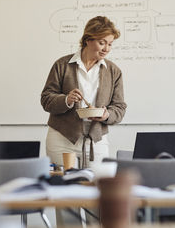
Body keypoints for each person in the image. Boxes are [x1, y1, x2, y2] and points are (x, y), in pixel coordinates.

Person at [41, 16, 127, 168]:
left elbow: (119, 107)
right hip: (61, 139)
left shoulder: (114, 71)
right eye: (102, 43)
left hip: (96, 140)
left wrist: (107, 115)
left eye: (110, 44)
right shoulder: (62, 65)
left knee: (96, 186)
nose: (106, 49)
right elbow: (46, 99)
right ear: (88, 39)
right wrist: (66, 99)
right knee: (63, 186)